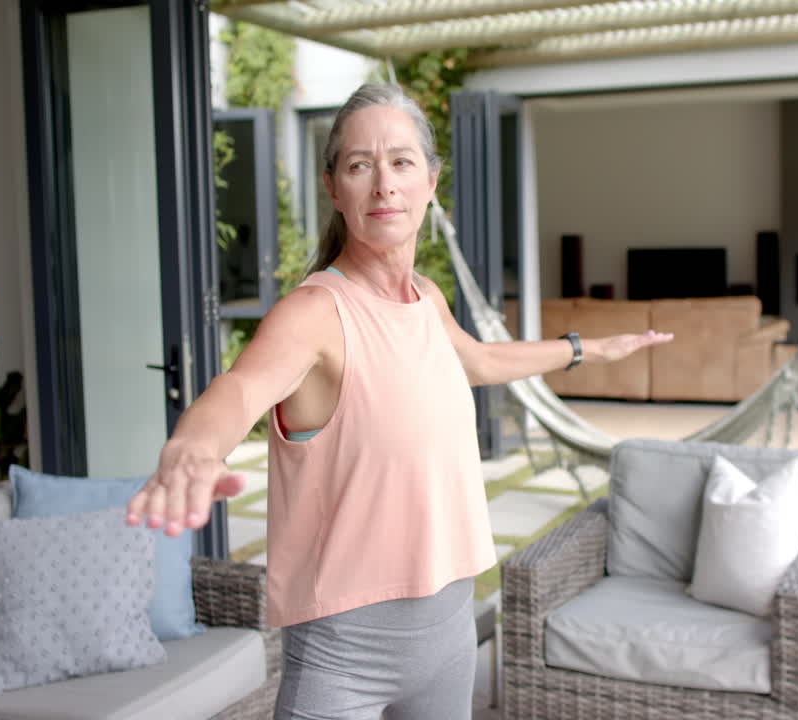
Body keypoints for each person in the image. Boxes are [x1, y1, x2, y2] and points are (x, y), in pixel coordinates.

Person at [126, 82, 673, 719]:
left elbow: (481, 360)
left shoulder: (426, 298)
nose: (384, 183)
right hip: (341, 659)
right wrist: (193, 445)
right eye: (360, 165)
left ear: (430, 181)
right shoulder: (314, 312)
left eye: (402, 161)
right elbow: (239, 388)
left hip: (448, 638)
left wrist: (584, 350)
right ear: (334, 187)